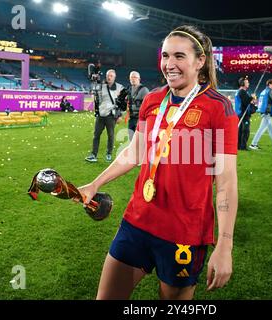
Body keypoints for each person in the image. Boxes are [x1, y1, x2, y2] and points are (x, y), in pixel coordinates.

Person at [78, 25, 238, 300]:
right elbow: (135, 151)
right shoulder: (153, 99)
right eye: (165, 56)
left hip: (184, 233)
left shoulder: (218, 108)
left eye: (178, 56)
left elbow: (226, 182)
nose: (169, 64)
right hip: (137, 221)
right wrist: (95, 183)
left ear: (200, 62)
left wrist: (224, 245)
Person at [85, 69, 124, 163]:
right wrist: (93, 80)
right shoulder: (101, 86)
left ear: (114, 77)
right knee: (96, 135)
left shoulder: (119, 87)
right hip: (101, 115)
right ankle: (93, 154)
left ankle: (109, 154)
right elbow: (93, 91)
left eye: (111, 76)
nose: (109, 77)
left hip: (111, 115)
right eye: (107, 75)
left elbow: (122, 102)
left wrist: (120, 115)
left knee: (110, 135)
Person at [249, 79, 272, 150]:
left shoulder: (264, 91)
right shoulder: (270, 91)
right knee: (261, 129)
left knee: (271, 130)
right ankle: (253, 144)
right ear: (269, 84)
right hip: (266, 113)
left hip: (264, 112)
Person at [126, 71, 149, 141]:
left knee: (140, 140)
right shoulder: (129, 90)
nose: (133, 79)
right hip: (131, 119)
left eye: (135, 77)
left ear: (139, 79)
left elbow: (148, 106)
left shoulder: (144, 90)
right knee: (131, 140)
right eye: (131, 77)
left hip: (140, 119)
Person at [235, 77, 257, 150]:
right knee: (245, 130)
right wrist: (252, 97)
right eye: (247, 82)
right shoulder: (242, 91)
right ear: (242, 83)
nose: (248, 83)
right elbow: (246, 102)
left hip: (239, 113)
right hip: (243, 114)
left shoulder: (240, 91)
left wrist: (252, 100)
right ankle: (243, 146)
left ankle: (239, 146)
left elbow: (246, 101)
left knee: (240, 130)